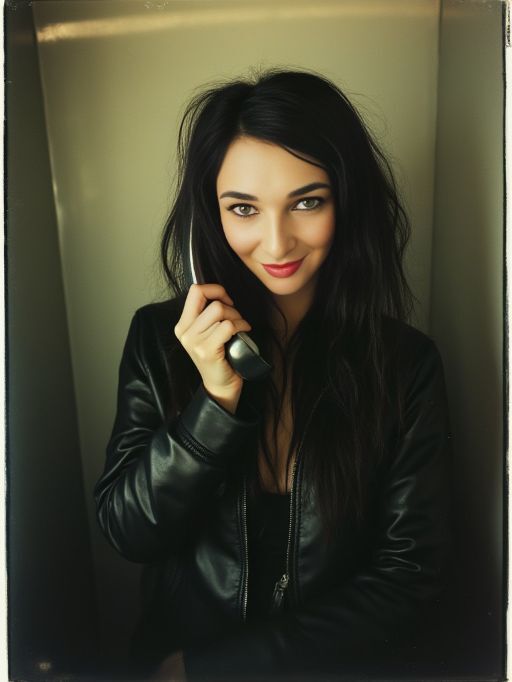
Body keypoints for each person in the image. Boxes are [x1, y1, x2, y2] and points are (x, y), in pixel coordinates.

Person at [94, 67, 453, 681]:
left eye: (307, 202)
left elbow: (408, 578)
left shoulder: (404, 364)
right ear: (211, 217)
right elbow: (129, 533)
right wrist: (215, 401)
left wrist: (215, 669)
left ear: (346, 202)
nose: (277, 242)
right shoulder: (159, 339)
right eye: (244, 209)